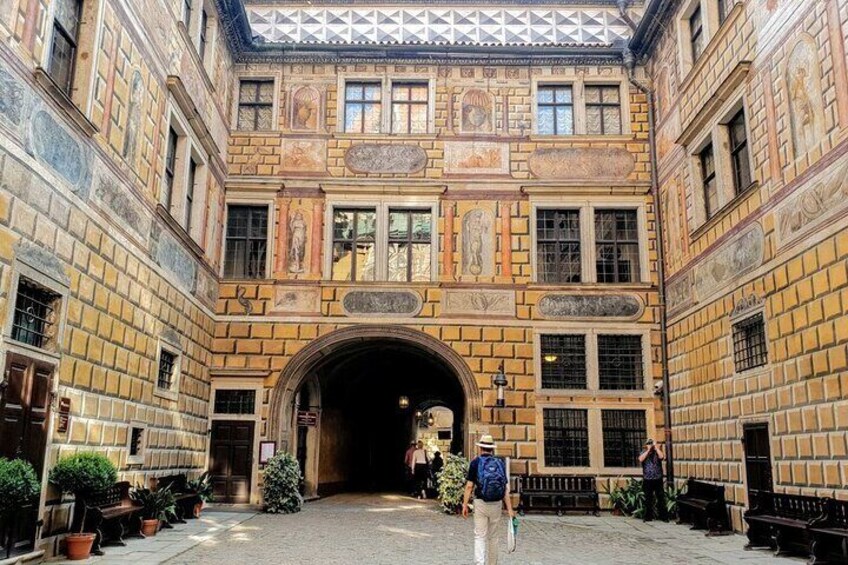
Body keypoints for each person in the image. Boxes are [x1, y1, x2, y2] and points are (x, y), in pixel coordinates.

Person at [462, 434, 514, 565]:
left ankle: (480, 563)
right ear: (492, 449)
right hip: (496, 504)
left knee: (480, 535)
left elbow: (469, 486)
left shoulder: (475, 462)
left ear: (480, 448)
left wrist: (464, 504)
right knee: (493, 536)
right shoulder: (500, 463)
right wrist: (510, 509)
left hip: (480, 503)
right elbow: (505, 488)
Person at [639, 438, 668, 522]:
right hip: (647, 479)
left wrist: (656, 448)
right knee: (648, 499)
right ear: (646, 445)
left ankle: (663, 516)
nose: (650, 445)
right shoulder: (643, 452)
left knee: (661, 498)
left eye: (651, 443)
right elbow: (640, 459)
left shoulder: (657, 452)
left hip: (658, 479)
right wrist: (648, 450)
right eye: (649, 443)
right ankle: (648, 516)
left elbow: (662, 456)